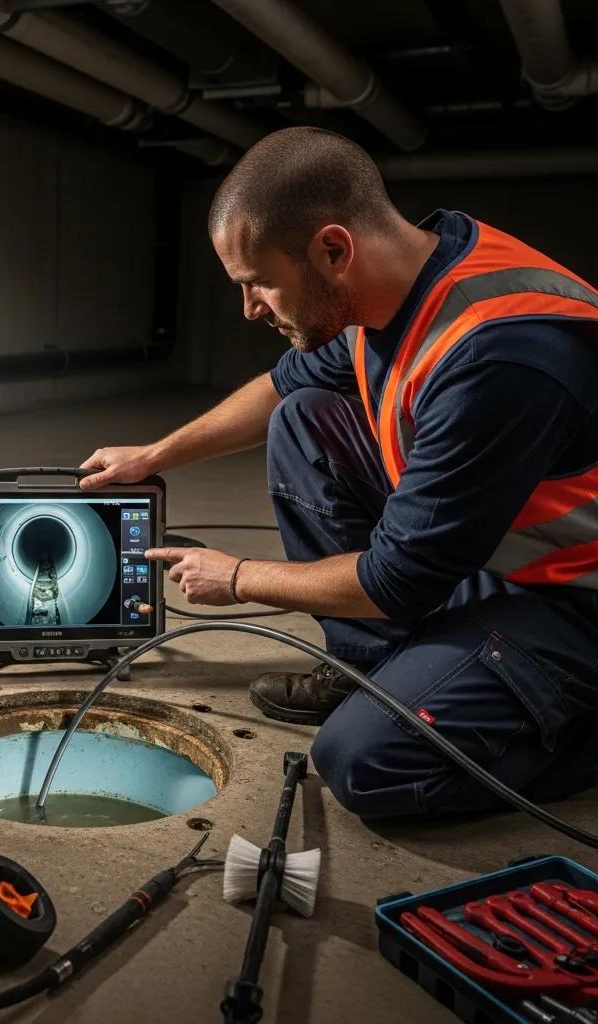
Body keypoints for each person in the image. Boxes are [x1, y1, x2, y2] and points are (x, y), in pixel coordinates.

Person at [79, 126, 598, 820]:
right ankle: (370, 665)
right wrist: (151, 456)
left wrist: (236, 578)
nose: (250, 307)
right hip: (499, 555)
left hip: (573, 604)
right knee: (306, 415)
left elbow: (398, 577)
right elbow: (281, 388)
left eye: (258, 282)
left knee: (366, 760)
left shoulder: (497, 356)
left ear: (332, 250)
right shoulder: (399, 282)